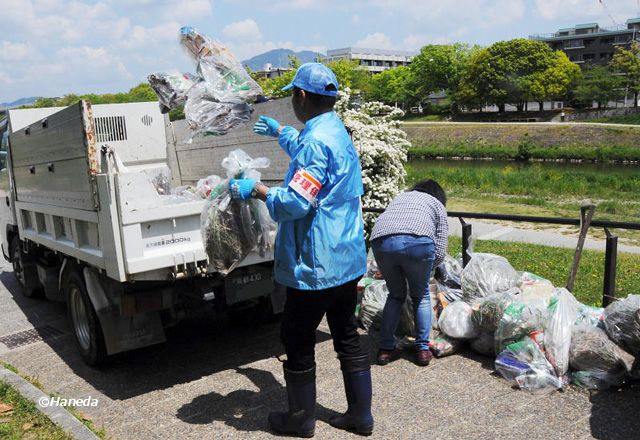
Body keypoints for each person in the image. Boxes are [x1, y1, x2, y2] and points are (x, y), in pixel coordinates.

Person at [228, 63, 374, 437]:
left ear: (302, 96)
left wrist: (258, 190)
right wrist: (282, 134)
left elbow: (296, 202)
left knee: (296, 336)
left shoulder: (314, 141)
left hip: (316, 264)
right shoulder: (336, 130)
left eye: (293, 94)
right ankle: (360, 416)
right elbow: (316, 159)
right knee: (346, 335)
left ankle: (300, 419)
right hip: (346, 257)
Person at [370, 179, 449, 367]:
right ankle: (422, 349)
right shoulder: (436, 204)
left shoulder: (401, 197)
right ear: (439, 195)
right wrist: (429, 267)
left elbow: (388, 224)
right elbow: (440, 247)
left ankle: (385, 349)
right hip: (418, 242)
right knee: (420, 295)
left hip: (381, 243)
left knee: (395, 295)